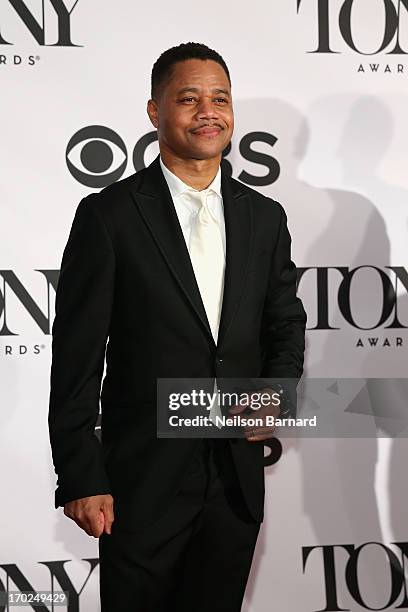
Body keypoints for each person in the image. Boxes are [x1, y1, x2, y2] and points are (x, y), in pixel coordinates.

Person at [48, 42, 306, 612]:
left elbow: (284, 321)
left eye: (220, 98)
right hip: (142, 479)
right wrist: (80, 475)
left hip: (235, 475)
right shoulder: (109, 215)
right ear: (154, 111)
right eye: (189, 99)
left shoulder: (265, 216)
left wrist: (277, 391)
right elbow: (76, 357)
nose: (207, 112)